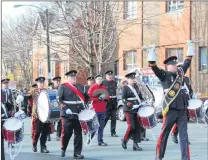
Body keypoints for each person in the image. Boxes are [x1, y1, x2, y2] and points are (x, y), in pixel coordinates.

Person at [147, 40, 194, 160]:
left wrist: (190, 46)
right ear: (167, 66)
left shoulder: (181, 74)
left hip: (182, 110)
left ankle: (185, 158)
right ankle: (159, 157)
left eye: (175, 63)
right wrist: (152, 52)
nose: (174, 65)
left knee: (184, 136)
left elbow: (188, 61)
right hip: (170, 110)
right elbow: (153, 65)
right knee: (164, 135)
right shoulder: (163, 75)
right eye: (172, 64)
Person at [57, 70, 85, 159]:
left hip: (77, 114)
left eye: (75, 77)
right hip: (67, 115)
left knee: (78, 134)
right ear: (68, 78)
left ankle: (77, 153)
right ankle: (63, 148)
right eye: (72, 77)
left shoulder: (79, 87)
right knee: (66, 133)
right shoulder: (63, 87)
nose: (74, 78)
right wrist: (65, 108)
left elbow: (84, 97)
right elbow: (59, 100)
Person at [171, 64, 193, 145]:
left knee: (185, 120)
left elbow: (190, 89)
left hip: (186, 102)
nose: (181, 71)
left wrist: (191, 95)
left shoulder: (187, 79)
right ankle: (175, 134)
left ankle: (179, 135)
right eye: (179, 70)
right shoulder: (175, 79)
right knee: (181, 121)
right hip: (178, 103)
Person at [121, 72, 144, 151]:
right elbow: (123, 99)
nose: (133, 80)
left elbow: (140, 97)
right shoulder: (125, 88)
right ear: (128, 79)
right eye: (131, 79)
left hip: (137, 109)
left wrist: (143, 102)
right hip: (129, 109)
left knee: (137, 127)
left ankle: (135, 145)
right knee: (131, 126)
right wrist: (129, 104)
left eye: (134, 78)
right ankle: (125, 139)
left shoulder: (137, 87)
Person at [29, 77, 50, 153]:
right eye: (40, 83)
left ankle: (43, 147)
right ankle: (34, 144)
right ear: (37, 83)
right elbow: (28, 98)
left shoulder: (47, 91)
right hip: (38, 114)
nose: (41, 84)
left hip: (46, 114)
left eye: (42, 83)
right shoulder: (34, 91)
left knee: (45, 132)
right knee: (37, 131)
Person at [88, 74, 110, 146]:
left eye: (101, 79)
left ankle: (100, 141)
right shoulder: (92, 87)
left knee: (101, 126)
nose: (100, 80)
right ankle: (89, 138)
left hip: (102, 109)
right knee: (94, 125)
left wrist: (105, 97)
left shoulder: (104, 87)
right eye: (98, 79)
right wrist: (98, 98)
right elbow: (89, 98)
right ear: (95, 80)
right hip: (95, 109)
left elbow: (108, 97)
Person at [102, 70, 118, 137]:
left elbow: (117, 91)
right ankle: (100, 131)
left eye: (111, 75)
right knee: (105, 118)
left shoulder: (115, 83)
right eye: (109, 75)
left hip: (114, 102)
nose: (110, 76)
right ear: (106, 76)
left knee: (114, 119)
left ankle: (113, 132)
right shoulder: (103, 83)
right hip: (106, 103)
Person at [52, 76, 62, 141]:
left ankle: (58, 134)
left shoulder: (62, 88)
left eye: (59, 81)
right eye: (56, 82)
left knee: (60, 121)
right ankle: (48, 134)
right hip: (53, 107)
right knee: (51, 122)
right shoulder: (51, 90)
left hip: (60, 107)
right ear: (54, 82)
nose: (58, 83)